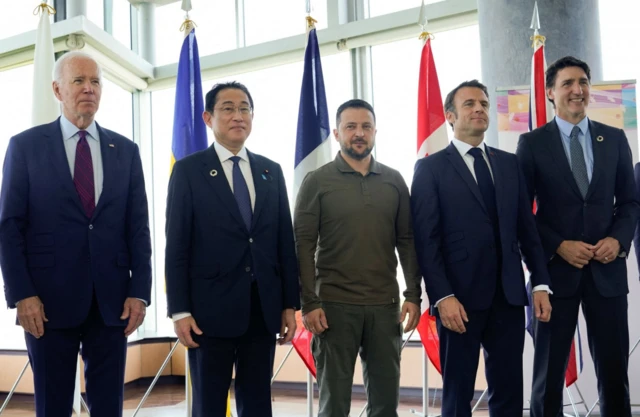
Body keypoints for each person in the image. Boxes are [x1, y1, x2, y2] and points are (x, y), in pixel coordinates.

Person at [0, 51, 152, 417]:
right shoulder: (25, 147)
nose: (89, 89)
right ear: (57, 89)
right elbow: (9, 227)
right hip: (46, 304)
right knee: (52, 406)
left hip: (112, 302)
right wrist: (22, 295)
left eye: (96, 82)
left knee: (108, 406)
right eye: (79, 81)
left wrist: (139, 293)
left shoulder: (125, 151)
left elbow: (138, 227)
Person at [411, 80, 552, 416]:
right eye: (470, 104)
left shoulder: (508, 164)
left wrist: (541, 282)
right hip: (458, 301)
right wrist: (442, 297)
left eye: (484, 104)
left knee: (508, 391)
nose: (479, 109)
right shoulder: (431, 168)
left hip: (508, 298)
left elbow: (526, 230)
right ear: (450, 116)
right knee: (457, 393)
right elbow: (425, 241)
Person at [164, 81, 299, 417]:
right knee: (209, 405)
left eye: (244, 108)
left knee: (257, 403)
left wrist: (288, 304)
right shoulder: (189, 171)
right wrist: (179, 310)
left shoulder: (271, 171)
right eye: (228, 108)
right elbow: (177, 244)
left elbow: (284, 242)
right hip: (208, 313)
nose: (237, 115)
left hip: (262, 308)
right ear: (209, 117)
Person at [516, 56, 638, 417]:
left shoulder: (614, 139)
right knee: (548, 377)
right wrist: (558, 245)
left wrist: (618, 240)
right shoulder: (532, 144)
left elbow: (630, 203)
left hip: (608, 274)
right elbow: (522, 213)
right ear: (551, 93)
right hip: (556, 276)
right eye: (567, 83)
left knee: (615, 375)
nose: (577, 89)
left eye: (583, 82)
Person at [294, 99, 422, 417]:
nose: (359, 133)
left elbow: (407, 242)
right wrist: (309, 303)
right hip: (333, 309)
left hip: (385, 308)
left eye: (366, 126)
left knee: (385, 405)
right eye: (351, 127)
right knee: (334, 405)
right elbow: (302, 246)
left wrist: (413, 295)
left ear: (375, 132)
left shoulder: (394, 181)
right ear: (337, 134)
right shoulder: (317, 181)